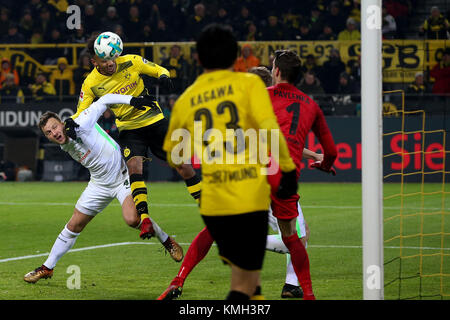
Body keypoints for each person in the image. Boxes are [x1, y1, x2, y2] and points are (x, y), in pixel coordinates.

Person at [161, 24, 298, 300]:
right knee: (282, 251)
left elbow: (175, 155)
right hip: (255, 183)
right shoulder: (248, 86)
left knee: (216, 237)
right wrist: (288, 171)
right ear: (235, 56)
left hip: (217, 189)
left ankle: (178, 280)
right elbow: (272, 132)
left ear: (199, 59)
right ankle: (291, 284)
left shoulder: (188, 98)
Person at [24, 94, 183, 284]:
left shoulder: (81, 121)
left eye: (55, 127)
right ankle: (47, 267)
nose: (54, 133)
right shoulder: (63, 145)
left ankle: (166, 240)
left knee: (132, 219)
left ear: (61, 122)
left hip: (122, 176)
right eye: (48, 133)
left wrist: (132, 100)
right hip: (99, 184)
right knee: (74, 225)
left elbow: (104, 99)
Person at [72, 32, 202, 242]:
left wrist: (164, 76)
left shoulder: (131, 61)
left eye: (112, 58)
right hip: (130, 129)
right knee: (134, 166)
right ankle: (145, 219)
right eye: (105, 61)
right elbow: (81, 112)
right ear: (94, 61)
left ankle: (207, 206)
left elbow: (157, 68)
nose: (110, 63)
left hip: (155, 121)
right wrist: (71, 121)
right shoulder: (90, 84)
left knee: (183, 166)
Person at [265, 49, 337, 300]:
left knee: (297, 234)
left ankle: (292, 285)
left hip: (253, 175)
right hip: (282, 179)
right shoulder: (309, 104)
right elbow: (332, 151)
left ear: (276, 71)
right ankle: (302, 290)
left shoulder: (263, 98)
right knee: (298, 235)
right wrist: (324, 161)